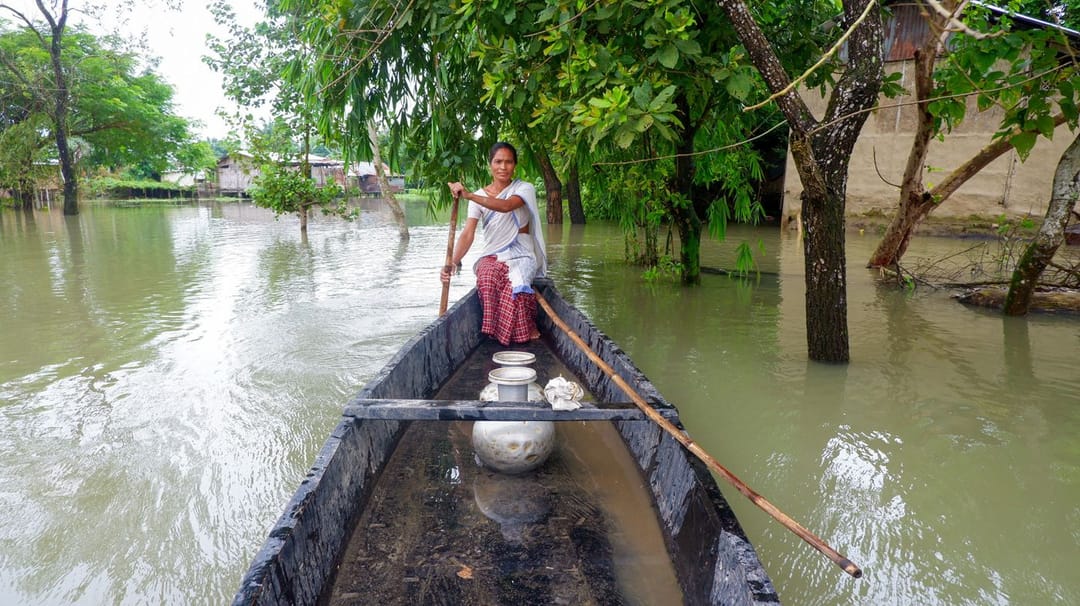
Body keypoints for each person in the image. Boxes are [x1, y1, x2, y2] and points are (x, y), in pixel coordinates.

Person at [441, 142, 547, 345]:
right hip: (493, 254)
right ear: (490, 165)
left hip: (521, 253)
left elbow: (506, 206)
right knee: (487, 278)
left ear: (515, 165)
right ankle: (498, 334)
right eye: (498, 162)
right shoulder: (478, 198)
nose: (503, 167)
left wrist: (471, 195)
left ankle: (524, 331)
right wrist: (452, 262)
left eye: (508, 162)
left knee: (518, 285)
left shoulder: (524, 189)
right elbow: (467, 234)